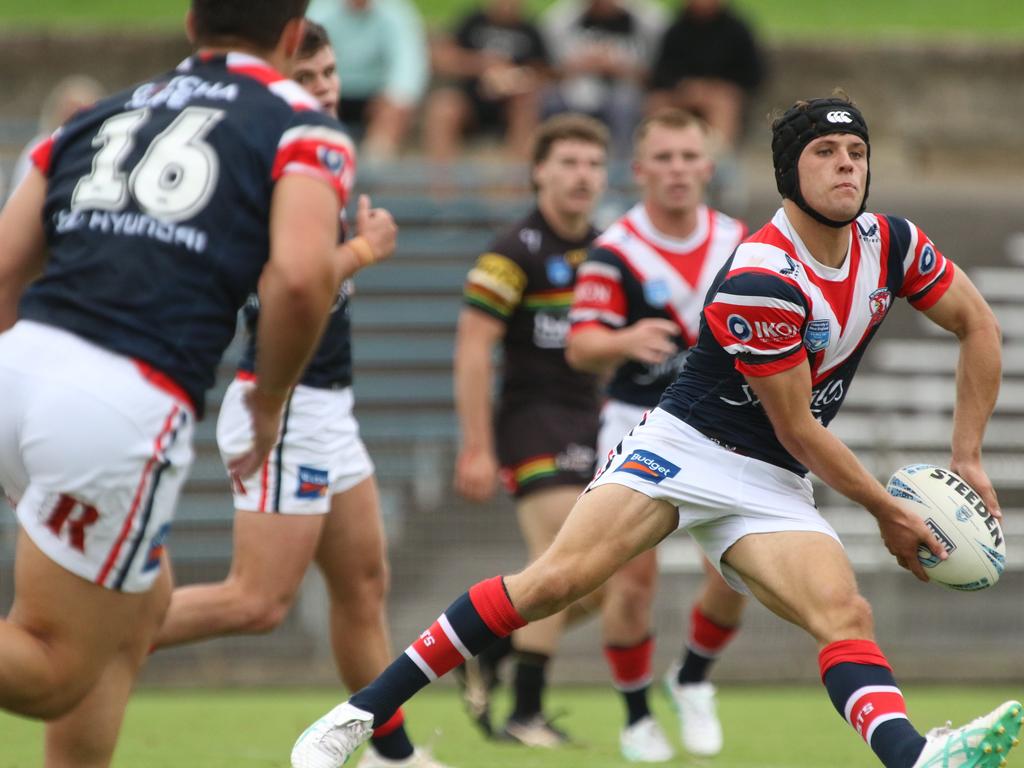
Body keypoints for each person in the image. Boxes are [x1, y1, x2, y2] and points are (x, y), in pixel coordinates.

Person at [292, 93, 1020, 768]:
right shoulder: (762, 275)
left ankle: (915, 758)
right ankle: (359, 715)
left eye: (856, 153)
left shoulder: (891, 243)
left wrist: (968, 459)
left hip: (772, 479)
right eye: (826, 154)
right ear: (788, 173)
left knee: (844, 612)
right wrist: (890, 511)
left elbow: (977, 324)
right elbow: (797, 427)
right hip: (686, 450)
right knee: (555, 582)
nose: (846, 167)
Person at [0, 2, 398, 767]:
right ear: (292, 36)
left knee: (136, 616)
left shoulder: (97, 114)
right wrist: (270, 399)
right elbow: (298, 280)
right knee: (53, 673)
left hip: (20, 366)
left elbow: (7, 271)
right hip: (118, 402)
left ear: (191, 23)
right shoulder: (300, 125)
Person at [149, 21, 443, 768]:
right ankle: (94, 635)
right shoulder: (275, 149)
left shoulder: (315, 147)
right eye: (308, 75)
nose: (323, 88)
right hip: (281, 403)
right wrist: (362, 250)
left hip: (326, 405)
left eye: (331, 73)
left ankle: (392, 754)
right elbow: (279, 281)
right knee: (256, 601)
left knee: (363, 585)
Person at [566, 107, 747, 761]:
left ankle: (692, 678)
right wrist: (623, 340)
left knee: (738, 574)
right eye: (663, 158)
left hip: (722, 427)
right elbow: (580, 345)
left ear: (707, 166)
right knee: (631, 581)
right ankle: (637, 715)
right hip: (636, 425)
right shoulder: (616, 248)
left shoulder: (739, 238)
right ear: (639, 170)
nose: (677, 170)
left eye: (688, 157)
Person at [452, 112, 608, 745]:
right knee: (561, 562)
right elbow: (471, 350)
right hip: (529, 420)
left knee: (595, 586)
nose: (582, 176)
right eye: (568, 162)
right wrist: (476, 446)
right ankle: (524, 712)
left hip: (594, 422)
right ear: (538, 172)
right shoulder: (510, 254)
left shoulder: (609, 248)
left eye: (594, 164)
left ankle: (487, 645)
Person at [424, 0, 549, 163]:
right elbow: (442, 59)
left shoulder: (530, 30)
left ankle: (515, 182)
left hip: (511, 105)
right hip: (471, 100)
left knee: (526, 106)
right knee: (443, 107)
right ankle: (440, 184)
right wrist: (480, 65)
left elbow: (544, 72)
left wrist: (515, 79)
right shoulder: (473, 22)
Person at [540, 0, 665, 156]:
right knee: (552, 101)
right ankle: (562, 156)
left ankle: (621, 163)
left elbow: (652, 73)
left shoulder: (643, 18)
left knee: (624, 104)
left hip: (624, 87)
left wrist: (618, 67)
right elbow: (552, 70)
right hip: (576, 86)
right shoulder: (563, 17)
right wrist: (583, 65)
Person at [308, 0, 429, 160]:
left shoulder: (396, 11)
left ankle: (374, 173)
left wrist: (395, 98)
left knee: (394, 113)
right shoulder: (321, 10)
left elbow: (408, 63)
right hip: (331, 91)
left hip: (376, 99)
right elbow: (306, 58)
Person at [647, 0, 763, 152]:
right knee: (657, 102)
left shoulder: (737, 30)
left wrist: (711, 87)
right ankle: (660, 152)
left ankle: (719, 159)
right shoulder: (676, 29)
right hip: (682, 92)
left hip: (719, 94)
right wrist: (684, 87)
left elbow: (752, 75)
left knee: (724, 103)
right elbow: (660, 72)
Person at [10, 74, 106, 192]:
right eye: (71, 110)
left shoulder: (104, 149)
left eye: (83, 112)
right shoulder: (41, 148)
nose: (76, 118)